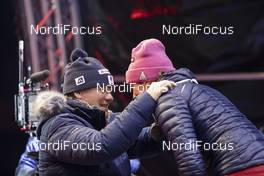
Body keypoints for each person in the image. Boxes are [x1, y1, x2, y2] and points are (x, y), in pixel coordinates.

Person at [125, 38, 264, 176]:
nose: (134, 94)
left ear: (147, 81)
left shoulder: (168, 99)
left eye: (134, 86)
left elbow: (189, 157)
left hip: (241, 169)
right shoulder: (199, 90)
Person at [34, 48, 175, 176]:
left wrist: (159, 133)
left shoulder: (103, 120)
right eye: (102, 89)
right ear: (77, 92)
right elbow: (101, 146)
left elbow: (132, 140)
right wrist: (148, 98)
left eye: (110, 89)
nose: (110, 97)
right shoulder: (57, 126)